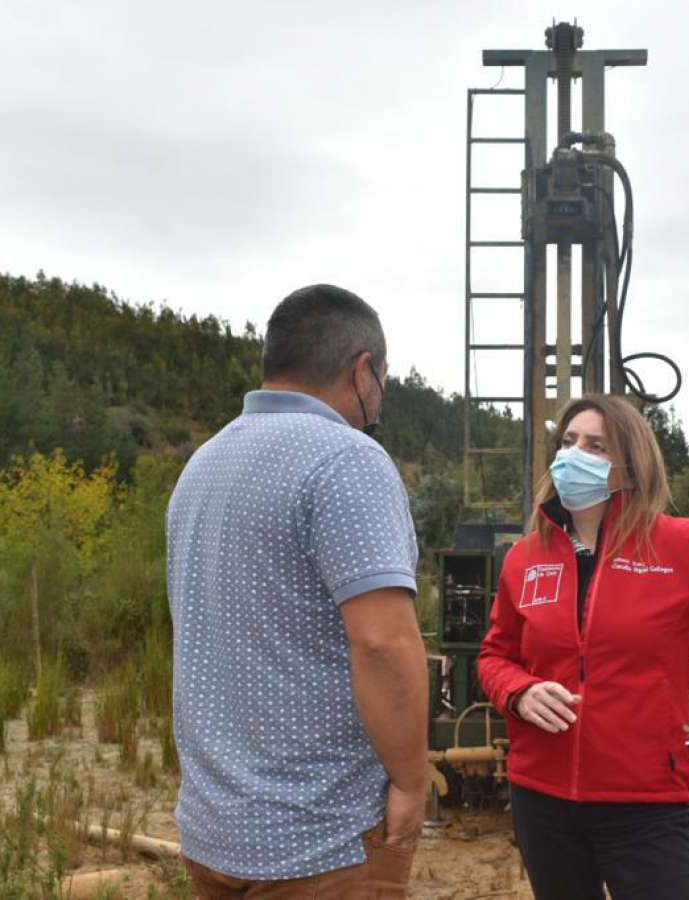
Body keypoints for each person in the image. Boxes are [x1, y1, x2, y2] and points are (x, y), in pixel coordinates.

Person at [477, 395, 689, 900]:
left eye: (596, 445)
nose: (574, 455)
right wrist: (518, 692)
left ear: (630, 468)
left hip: (644, 802)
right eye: (568, 442)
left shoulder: (682, 546)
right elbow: (494, 655)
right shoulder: (525, 557)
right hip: (541, 798)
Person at [166, 284, 427, 898]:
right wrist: (413, 786)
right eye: (381, 380)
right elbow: (384, 644)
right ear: (363, 370)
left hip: (212, 832)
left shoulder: (202, 464)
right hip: (323, 842)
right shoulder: (348, 460)